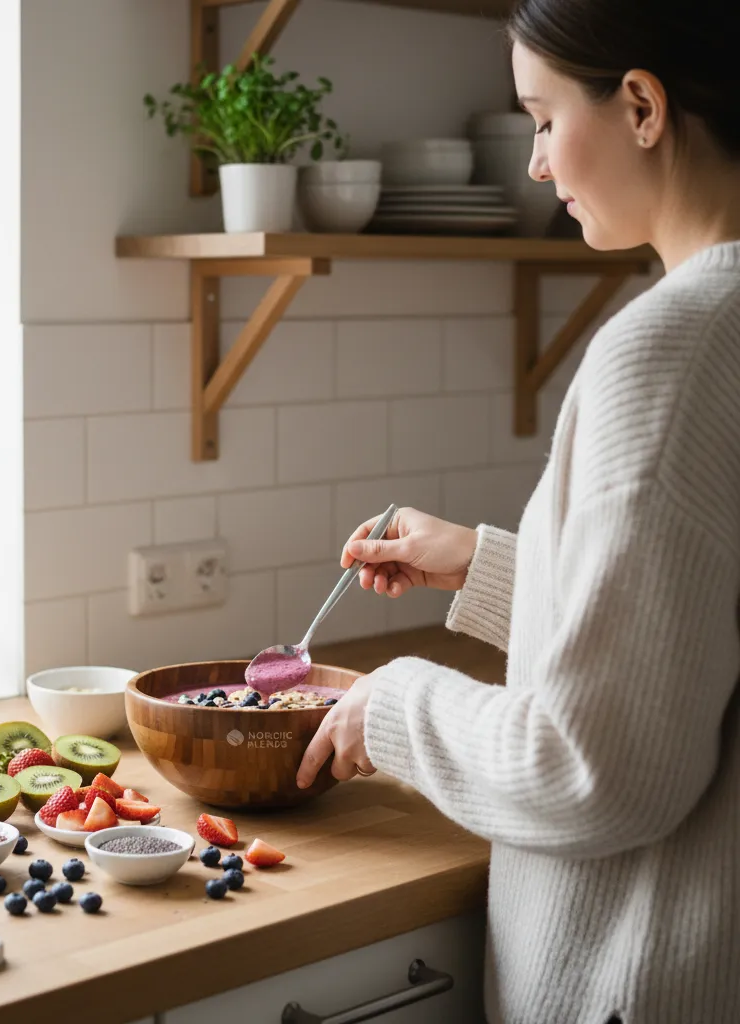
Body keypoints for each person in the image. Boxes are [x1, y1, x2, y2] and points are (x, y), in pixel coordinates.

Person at [296, 1, 740, 1021]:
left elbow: (598, 771)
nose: (537, 164)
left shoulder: (666, 351)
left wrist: (396, 704)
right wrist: (496, 564)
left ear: (639, 106)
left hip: (647, 981)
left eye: (541, 119)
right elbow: (699, 630)